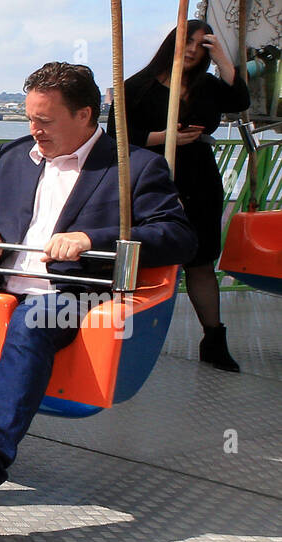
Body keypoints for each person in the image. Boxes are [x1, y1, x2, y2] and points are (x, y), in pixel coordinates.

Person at [0, 62, 196, 489]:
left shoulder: (135, 167)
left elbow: (177, 236)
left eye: (44, 120)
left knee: (32, 322)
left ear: (84, 115)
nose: (35, 129)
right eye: (30, 118)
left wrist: (90, 239)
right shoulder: (12, 157)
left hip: (73, 289)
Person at [107, 20, 250, 372]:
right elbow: (116, 135)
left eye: (201, 45)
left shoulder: (209, 86)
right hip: (152, 176)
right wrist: (163, 136)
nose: (192, 50)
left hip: (200, 176)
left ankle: (214, 340)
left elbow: (239, 100)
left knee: (201, 260)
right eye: (188, 41)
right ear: (172, 41)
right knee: (143, 257)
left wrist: (223, 58)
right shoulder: (137, 87)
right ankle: (124, 339)